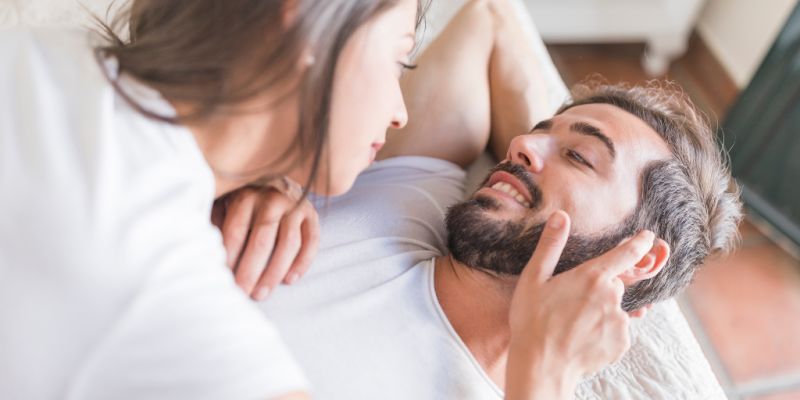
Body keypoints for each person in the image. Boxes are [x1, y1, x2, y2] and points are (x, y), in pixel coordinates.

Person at [0, 0, 639, 399]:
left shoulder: (43, 55)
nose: (397, 112)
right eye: (397, 63)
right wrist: (544, 381)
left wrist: (268, 163)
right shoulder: (168, 305)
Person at [218, 0, 743, 398]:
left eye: (580, 157)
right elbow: (489, 19)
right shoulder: (418, 202)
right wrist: (279, 167)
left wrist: (542, 375)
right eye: (537, 131)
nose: (521, 144)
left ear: (639, 257)